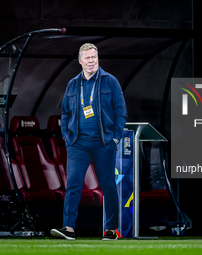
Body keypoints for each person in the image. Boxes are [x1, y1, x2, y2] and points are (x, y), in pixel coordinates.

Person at [50, 43, 127, 240]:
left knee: (108, 184)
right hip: (78, 143)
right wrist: (67, 138)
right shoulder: (73, 84)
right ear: (80, 61)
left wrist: (115, 138)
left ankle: (111, 230)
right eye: (88, 58)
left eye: (94, 57)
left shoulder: (111, 81)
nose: (92, 61)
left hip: (104, 143)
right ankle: (68, 228)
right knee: (73, 185)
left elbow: (120, 111)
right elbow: (65, 112)